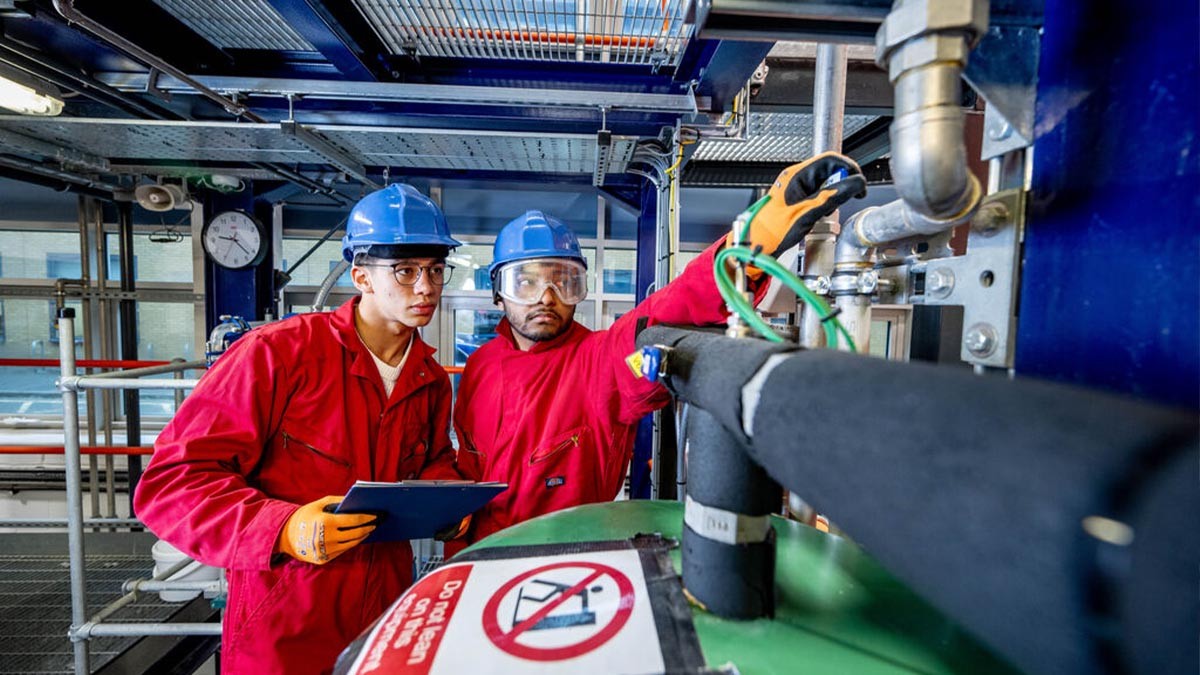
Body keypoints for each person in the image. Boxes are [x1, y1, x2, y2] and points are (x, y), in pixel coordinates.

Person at [133, 183, 463, 674]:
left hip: (383, 614)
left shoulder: (429, 379)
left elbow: (428, 463)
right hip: (284, 621)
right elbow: (172, 483)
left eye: (436, 270)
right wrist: (284, 528)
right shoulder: (278, 354)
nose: (426, 287)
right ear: (360, 276)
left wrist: (449, 499)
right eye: (405, 270)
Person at [453, 153, 867, 543]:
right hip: (474, 559)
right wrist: (453, 517)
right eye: (524, 282)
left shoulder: (597, 361)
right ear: (497, 294)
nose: (546, 297)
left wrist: (750, 244)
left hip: (566, 561)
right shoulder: (480, 366)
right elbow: (467, 469)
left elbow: (670, 310)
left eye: (562, 281)